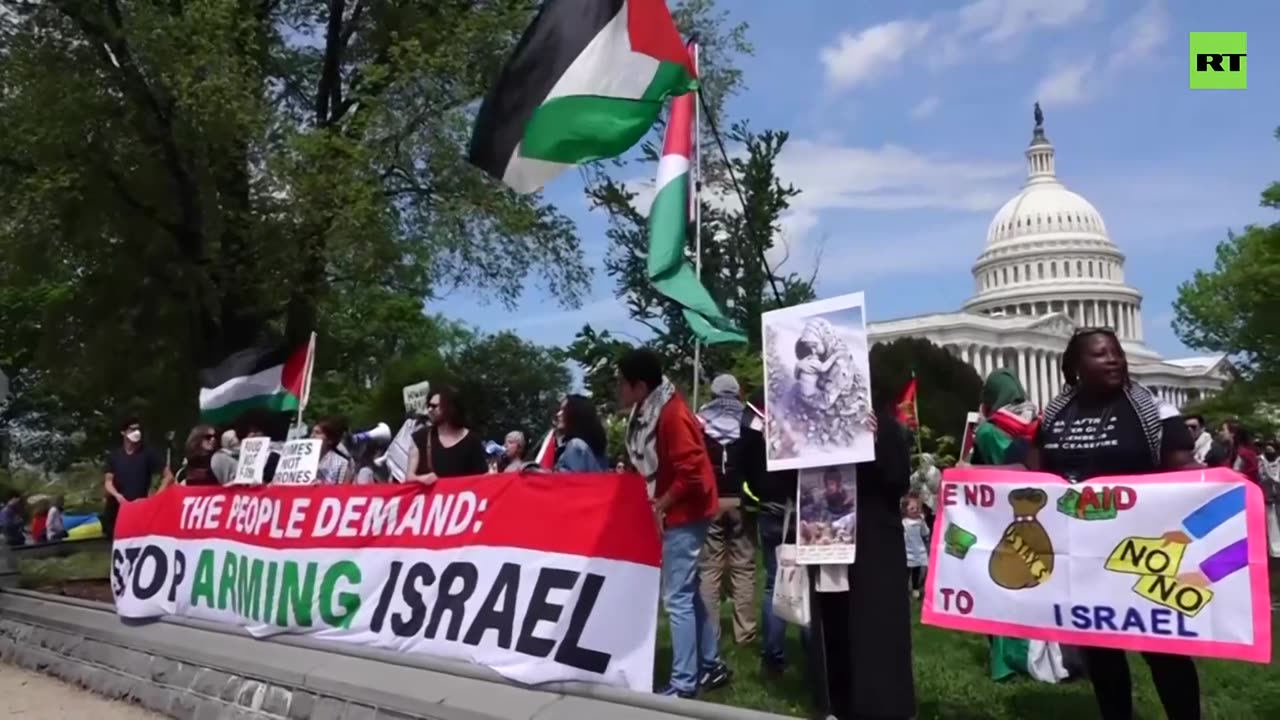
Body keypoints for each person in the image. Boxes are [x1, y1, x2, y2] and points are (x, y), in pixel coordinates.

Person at [1028, 328, 1199, 720]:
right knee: (1101, 650)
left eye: (1117, 352)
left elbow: (1182, 469)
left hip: (1146, 549)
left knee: (1164, 649)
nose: (1114, 360)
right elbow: (1034, 474)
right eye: (1100, 354)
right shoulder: (1054, 417)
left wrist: (1231, 484)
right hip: (1083, 553)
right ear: (1074, 368)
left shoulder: (1154, 411)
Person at [616, 348, 729, 698]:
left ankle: (684, 682)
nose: (617, 389)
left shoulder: (671, 415)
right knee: (688, 592)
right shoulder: (653, 410)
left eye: (621, 383)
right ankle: (711, 665)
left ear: (640, 385)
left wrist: (661, 504)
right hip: (683, 509)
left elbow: (693, 472)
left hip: (686, 512)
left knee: (676, 598)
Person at [807, 406, 916, 720]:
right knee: (834, 623)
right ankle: (836, 702)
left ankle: (882, 705)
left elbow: (898, 479)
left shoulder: (885, 427)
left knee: (876, 627)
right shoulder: (814, 427)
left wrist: (877, 440)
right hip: (827, 542)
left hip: (875, 545)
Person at [971, 367, 1070, 684]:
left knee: (1000, 586)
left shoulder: (988, 432)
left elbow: (987, 469)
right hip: (1041, 514)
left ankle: (1008, 659)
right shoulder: (1038, 423)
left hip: (1001, 516)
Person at [739, 387, 801, 678]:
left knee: (773, 583)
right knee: (805, 585)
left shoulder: (753, 417)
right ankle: (813, 655)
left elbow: (745, 460)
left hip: (769, 506)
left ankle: (773, 656)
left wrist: (759, 491)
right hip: (797, 507)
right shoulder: (802, 407)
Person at [695, 374, 757, 646]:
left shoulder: (699, 422)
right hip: (742, 500)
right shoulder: (749, 421)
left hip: (710, 501)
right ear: (737, 392)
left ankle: (710, 633)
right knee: (743, 567)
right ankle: (745, 634)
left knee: (710, 568)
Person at [103, 417, 173, 538]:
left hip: (139, 508)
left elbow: (169, 477)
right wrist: (117, 495)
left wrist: (154, 499)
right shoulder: (114, 456)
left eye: (138, 429)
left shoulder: (148, 453)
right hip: (116, 509)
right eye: (132, 429)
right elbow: (108, 482)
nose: (137, 433)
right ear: (123, 432)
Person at [407, 387, 488, 483]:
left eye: (434, 406)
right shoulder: (420, 437)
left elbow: (482, 479)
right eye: (428, 405)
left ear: (449, 408)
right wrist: (421, 479)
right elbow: (409, 478)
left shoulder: (472, 441)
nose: (429, 410)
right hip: (429, 497)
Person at [554, 395, 609, 472]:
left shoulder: (576, 445)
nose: (558, 414)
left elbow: (567, 481)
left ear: (576, 414)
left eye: (563, 410)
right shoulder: (595, 451)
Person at [902, 494, 930, 600]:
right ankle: (904, 589)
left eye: (917, 508)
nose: (915, 510)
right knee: (906, 571)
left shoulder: (920, 521)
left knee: (916, 571)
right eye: (912, 508)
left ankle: (915, 588)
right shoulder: (903, 522)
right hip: (907, 550)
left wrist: (924, 524)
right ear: (905, 509)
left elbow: (925, 532)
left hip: (918, 549)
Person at [312, 418, 353, 484]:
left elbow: (343, 492)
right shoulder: (302, 460)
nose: (312, 436)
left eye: (317, 433)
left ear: (330, 440)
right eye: (312, 432)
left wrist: (322, 488)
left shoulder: (341, 464)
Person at [1261, 440, 1280, 558]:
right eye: (1267, 450)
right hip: (1267, 497)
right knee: (1271, 523)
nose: (1269, 453)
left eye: (1271, 450)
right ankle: (1274, 550)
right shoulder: (1261, 463)